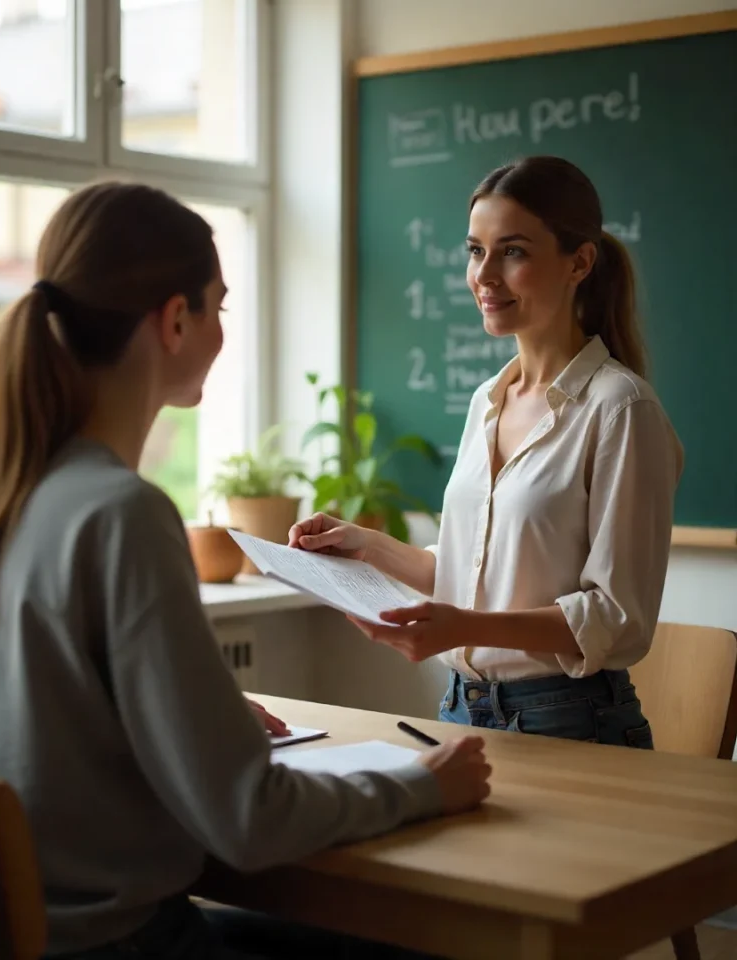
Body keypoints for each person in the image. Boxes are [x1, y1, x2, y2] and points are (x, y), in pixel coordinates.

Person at [0, 182, 491, 960]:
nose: (222, 329)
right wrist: (424, 785)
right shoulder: (123, 514)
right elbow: (250, 818)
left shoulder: (5, 499)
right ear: (175, 321)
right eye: (219, 305)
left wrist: (193, 715)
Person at [290, 156, 683, 749]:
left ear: (579, 262)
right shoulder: (488, 400)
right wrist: (365, 545)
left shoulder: (621, 409)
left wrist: (465, 626)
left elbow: (616, 617)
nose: (484, 275)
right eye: (476, 251)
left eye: (513, 251)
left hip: (572, 720)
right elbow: (470, 572)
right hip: (462, 708)